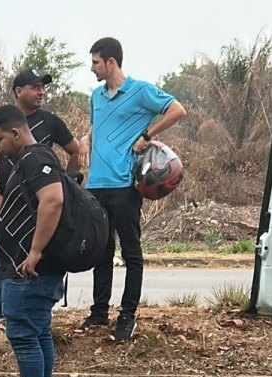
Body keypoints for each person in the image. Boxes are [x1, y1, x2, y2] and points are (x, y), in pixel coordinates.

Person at [79, 37, 187, 342]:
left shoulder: (140, 91)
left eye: (96, 62)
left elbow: (177, 110)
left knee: (131, 253)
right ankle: (99, 313)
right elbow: (101, 126)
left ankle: (128, 316)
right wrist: (87, 138)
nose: (92, 68)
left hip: (125, 186)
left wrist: (147, 135)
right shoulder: (97, 96)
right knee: (101, 252)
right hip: (96, 186)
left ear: (111, 62)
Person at [0, 68, 83, 329]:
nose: (41, 92)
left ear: (17, 134)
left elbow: (75, 151)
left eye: (42, 87)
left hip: (36, 210)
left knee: (37, 263)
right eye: (35, 87)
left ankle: (31, 316)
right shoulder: (2, 120)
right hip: (6, 206)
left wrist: (64, 185)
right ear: (18, 91)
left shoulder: (50, 123)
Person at [0, 105, 69, 377]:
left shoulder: (35, 158)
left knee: (22, 334)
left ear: (16, 133)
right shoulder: (31, 158)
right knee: (38, 332)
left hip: (29, 268)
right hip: (28, 265)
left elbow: (53, 200)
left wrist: (34, 252)